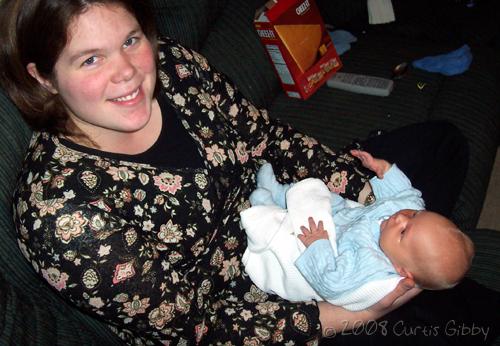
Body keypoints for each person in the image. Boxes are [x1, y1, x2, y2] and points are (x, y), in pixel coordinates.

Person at [0, 0, 497, 345]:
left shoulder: (175, 66)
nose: (128, 72)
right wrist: (354, 314)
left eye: (131, 40)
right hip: (265, 300)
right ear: (40, 75)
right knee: (451, 318)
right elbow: (194, 326)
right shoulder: (62, 214)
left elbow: (266, 137)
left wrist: (368, 200)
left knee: (444, 143)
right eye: (90, 59)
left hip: (284, 200)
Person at [241, 150, 474, 311]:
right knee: (321, 194)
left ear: (401, 269)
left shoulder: (371, 268)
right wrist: (385, 170)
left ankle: (267, 209)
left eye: (403, 233)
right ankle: (281, 193)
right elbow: (409, 196)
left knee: (293, 234)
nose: (401, 217)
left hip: (327, 247)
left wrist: (318, 245)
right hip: (346, 216)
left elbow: (333, 283)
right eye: (415, 217)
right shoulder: (409, 214)